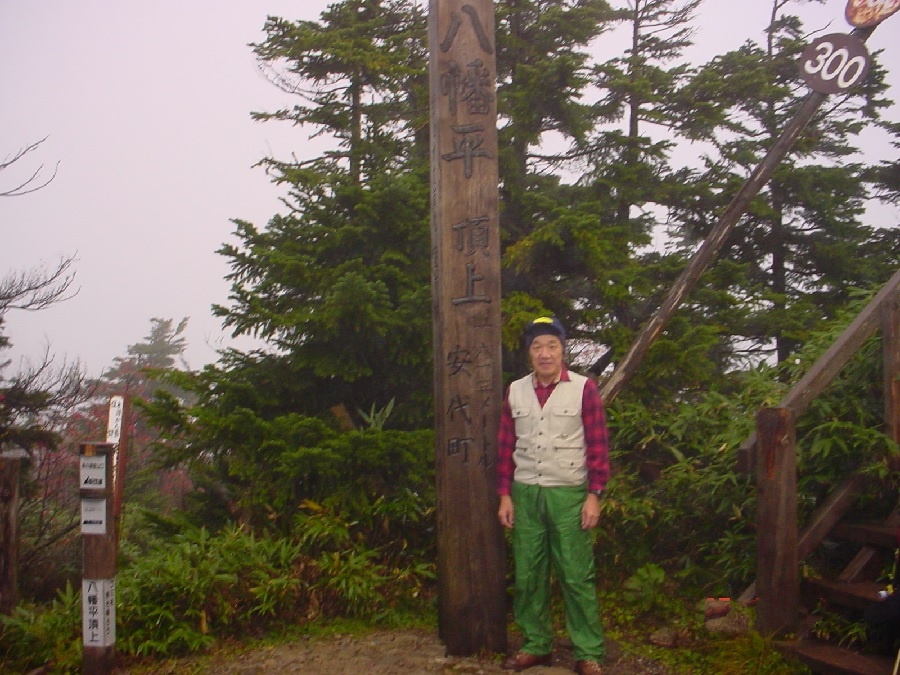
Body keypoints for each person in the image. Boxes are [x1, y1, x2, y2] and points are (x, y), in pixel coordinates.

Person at [496, 316, 610, 675]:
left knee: (576, 574)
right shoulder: (515, 390)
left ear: (562, 350)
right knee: (528, 573)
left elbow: (598, 446)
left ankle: (588, 652)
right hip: (525, 492)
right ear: (529, 352)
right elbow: (505, 446)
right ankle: (536, 645)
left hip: (569, 494)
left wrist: (594, 495)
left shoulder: (583, 389)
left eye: (552, 346)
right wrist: (505, 495)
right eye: (537, 347)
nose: (544, 354)